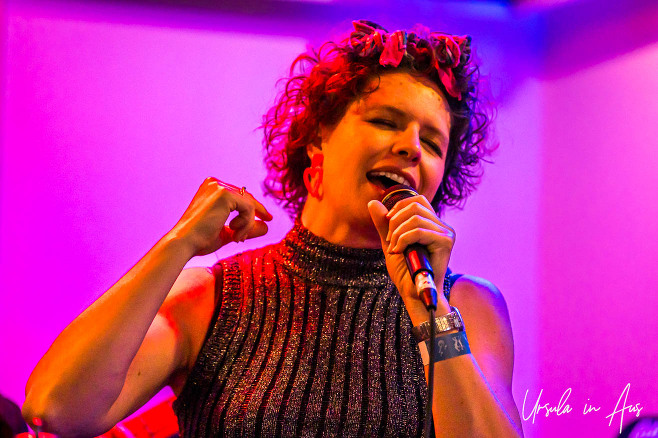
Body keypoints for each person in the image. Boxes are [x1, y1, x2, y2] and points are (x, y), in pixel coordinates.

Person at [22, 20, 523, 437]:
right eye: (387, 121)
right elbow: (56, 408)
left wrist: (426, 306)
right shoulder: (215, 297)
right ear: (318, 138)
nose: (412, 147)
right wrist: (179, 245)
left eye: (433, 144)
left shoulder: (468, 307)